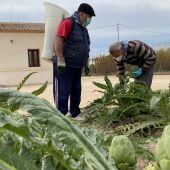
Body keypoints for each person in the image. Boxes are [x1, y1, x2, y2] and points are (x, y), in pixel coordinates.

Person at [53, 3, 95, 118]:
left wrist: (86, 64)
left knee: (76, 91)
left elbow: (86, 48)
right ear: (81, 14)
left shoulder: (84, 29)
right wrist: (60, 59)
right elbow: (58, 39)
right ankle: (61, 115)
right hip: (65, 65)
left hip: (77, 66)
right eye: (88, 17)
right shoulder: (68, 23)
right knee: (63, 90)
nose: (89, 20)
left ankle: (75, 113)